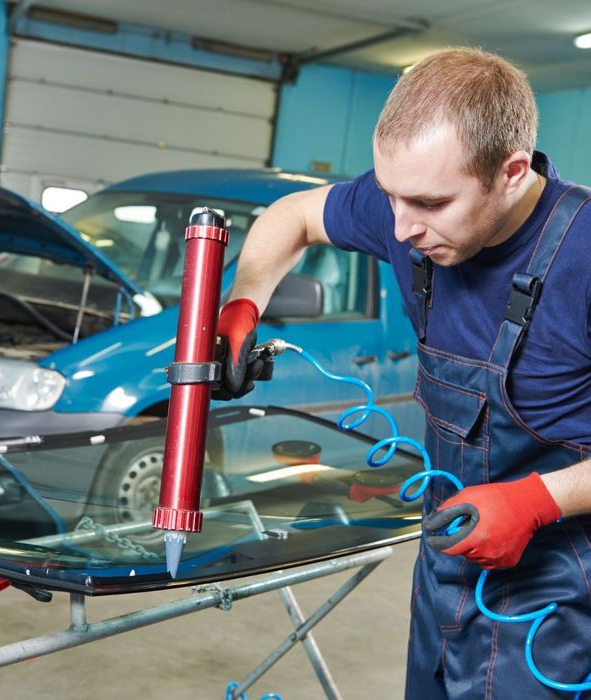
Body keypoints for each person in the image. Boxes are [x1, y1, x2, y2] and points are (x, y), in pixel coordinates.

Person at [213, 48, 591, 698]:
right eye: (389, 196)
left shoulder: (584, 256)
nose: (399, 228)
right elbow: (292, 216)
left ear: (511, 171)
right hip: (443, 562)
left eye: (428, 203)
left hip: (560, 590)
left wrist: (536, 503)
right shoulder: (407, 206)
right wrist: (244, 302)